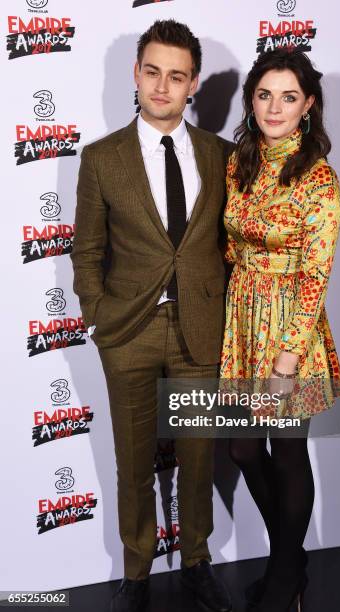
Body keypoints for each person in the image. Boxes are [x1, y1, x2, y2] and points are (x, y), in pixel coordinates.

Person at [71, 19, 233, 612]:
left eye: (177, 76)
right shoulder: (101, 158)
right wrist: (97, 321)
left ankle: (196, 561)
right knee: (133, 463)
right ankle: (136, 573)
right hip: (129, 334)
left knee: (197, 460)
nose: (162, 87)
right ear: (136, 74)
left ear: (193, 85)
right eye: (152, 72)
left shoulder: (221, 156)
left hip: (199, 331)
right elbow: (86, 250)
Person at [220, 49, 340, 611]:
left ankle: (282, 576)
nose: (275, 107)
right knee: (245, 448)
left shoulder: (320, 180)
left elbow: (317, 276)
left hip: (292, 332)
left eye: (288, 96)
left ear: (308, 105)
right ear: (252, 99)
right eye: (265, 94)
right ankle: (291, 560)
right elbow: (231, 242)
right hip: (242, 321)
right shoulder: (238, 162)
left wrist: (286, 362)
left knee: (288, 453)